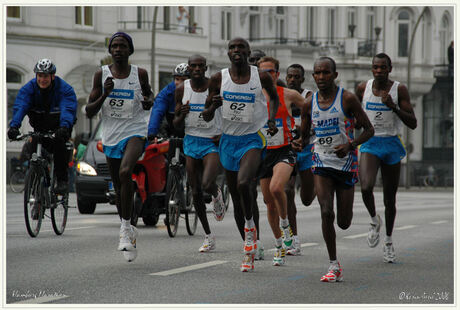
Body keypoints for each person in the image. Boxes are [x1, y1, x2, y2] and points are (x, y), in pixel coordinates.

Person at [202, 37, 280, 272]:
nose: (236, 51)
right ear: (228, 53)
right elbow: (206, 116)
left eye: (241, 48)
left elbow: (274, 98)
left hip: (252, 139)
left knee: (245, 182)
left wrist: (272, 118)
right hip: (228, 142)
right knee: (237, 199)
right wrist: (213, 106)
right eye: (232, 48)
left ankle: (250, 234)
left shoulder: (260, 76)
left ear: (248, 52)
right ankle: (248, 239)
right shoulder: (219, 78)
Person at [302, 56, 374, 282]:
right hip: (321, 162)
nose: (321, 77)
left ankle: (337, 252)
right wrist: (298, 142)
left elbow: (369, 130)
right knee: (325, 211)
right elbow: (305, 138)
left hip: (346, 164)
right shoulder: (308, 104)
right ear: (313, 76)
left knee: (343, 222)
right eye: (317, 73)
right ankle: (333, 264)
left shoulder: (348, 99)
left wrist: (351, 144)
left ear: (334, 75)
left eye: (325, 73)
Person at [86, 32, 154, 262]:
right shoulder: (101, 75)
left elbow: (148, 95)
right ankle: (129, 228)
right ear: (110, 51)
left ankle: (125, 229)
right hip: (111, 135)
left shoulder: (139, 73)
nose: (117, 49)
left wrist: (148, 101)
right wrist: (105, 93)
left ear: (130, 50)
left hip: (135, 131)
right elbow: (89, 111)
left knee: (126, 172)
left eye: (122, 46)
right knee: (118, 187)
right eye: (114, 46)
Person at [355, 53, 417, 263]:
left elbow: (413, 123)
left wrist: (394, 107)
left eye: (383, 67)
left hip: (391, 143)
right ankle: (374, 220)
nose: (379, 71)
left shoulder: (399, 89)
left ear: (390, 68)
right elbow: (356, 115)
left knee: (390, 198)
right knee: (365, 187)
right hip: (371, 142)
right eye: (375, 67)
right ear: (371, 69)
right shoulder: (363, 88)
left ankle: (389, 241)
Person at [173, 54, 226, 252]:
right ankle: (208, 236)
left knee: (207, 183)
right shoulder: (181, 89)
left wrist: (225, 133)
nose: (196, 69)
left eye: (200, 66)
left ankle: (215, 192)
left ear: (205, 68)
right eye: (193, 66)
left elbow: (229, 112)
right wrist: (182, 114)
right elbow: (176, 124)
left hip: (212, 140)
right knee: (194, 191)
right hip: (191, 140)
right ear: (189, 68)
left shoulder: (215, 85)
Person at [257, 56, 306, 266]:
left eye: (270, 72)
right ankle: (278, 246)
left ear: (277, 74)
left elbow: (311, 110)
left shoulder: (288, 94)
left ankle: (286, 225)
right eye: (262, 72)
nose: (266, 76)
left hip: (285, 150)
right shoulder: (254, 96)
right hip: (262, 153)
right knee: (269, 204)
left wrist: (303, 134)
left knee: (278, 188)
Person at [8, 58, 77, 195]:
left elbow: (67, 109)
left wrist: (64, 126)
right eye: (39, 76)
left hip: (60, 127)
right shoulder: (29, 89)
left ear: (52, 76)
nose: (42, 79)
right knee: (33, 153)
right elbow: (20, 106)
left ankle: (62, 180)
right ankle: (38, 188)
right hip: (39, 127)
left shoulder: (64, 89)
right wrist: (14, 126)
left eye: (45, 76)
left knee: (59, 146)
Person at [285, 63, 316, 256]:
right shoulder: (282, 95)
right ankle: (293, 239)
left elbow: (315, 122)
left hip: (307, 148)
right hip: (288, 150)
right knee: (287, 190)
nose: (293, 79)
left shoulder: (309, 97)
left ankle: (314, 189)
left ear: (302, 79)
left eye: (297, 77)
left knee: (305, 200)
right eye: (290, 76)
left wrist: (302, 136)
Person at [148, 63, 190, 140]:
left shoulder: (197, 90)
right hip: (171, 126)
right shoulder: (167, 92)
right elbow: (157, 112)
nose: (180, 83)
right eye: (177, 79)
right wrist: (152, 134)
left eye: (184, 80)